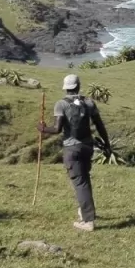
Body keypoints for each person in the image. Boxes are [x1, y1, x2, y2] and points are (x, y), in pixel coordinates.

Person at [37, 73, 111, 231]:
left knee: (80, 183)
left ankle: (88, 221)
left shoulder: (61, 104)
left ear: (65, 88)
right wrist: (107, 144)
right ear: (78, 86)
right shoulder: (89, 102)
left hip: (72, 148)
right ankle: (85, 211)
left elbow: (57, 129)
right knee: (85, 180)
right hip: (87, 147)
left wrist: (43, 129)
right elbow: (99, 125)